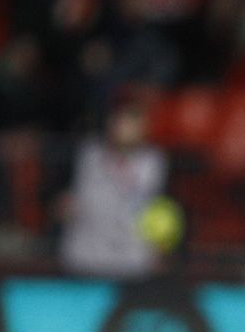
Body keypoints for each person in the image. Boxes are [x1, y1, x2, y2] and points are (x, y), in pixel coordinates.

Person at [58, 98, 172, 278]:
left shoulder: (153, 162)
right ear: (111, 124)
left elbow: (158, 209)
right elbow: (65, 200)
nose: (127, 130)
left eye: (134, 125)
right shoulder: (88, 155)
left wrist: (157, 249)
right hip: (86, 254)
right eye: (122, 123)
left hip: (132, 258)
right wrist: (64, 207)